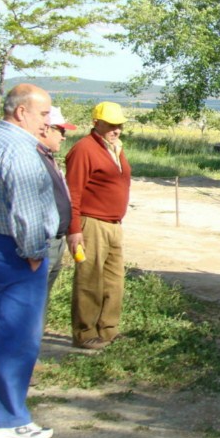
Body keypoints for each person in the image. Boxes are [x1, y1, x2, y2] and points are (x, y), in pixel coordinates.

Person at [0, 84, 58, 438]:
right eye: (43, 114)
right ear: (21, 112)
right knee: (18, 337)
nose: (47, 122)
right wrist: (35, 252)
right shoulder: (21, 151)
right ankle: (9, 419)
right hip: (18, 253)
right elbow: (26, 212)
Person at [65, 101, 131, 350]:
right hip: (91, 222)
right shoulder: (84, 149)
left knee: (114, 280)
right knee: (89, 279)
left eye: (119, 125)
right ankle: (85, 332)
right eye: (111, 125)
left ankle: (108, 328)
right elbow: (73, 192)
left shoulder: (116, 147)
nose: (116, 129)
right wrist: (74, 230)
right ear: (96, 123)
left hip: (113, 224)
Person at [37, 106, 77, 326]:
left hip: (56, 239)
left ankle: (32, 352)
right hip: (41, 243)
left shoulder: (48, 156)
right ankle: (25, 357)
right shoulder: (33, 157)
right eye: (60, 130)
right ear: (45, 129)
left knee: (41, 299)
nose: (64, 136)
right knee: (32, 301)